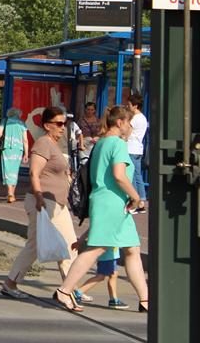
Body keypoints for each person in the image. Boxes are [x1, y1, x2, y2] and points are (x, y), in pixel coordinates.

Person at [53, 105, 149, 313]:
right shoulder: (117, 144)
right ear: (120, 123)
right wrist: (137, 197)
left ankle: (145, 300)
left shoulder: (102, 143)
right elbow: (119, 176)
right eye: (129, 124)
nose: (131, 128)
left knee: (132, 249)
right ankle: (64, 290)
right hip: (112, 202)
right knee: (97, 248)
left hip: (112, 203)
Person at [0, 106, 79, 299]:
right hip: (43, 202)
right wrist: (39, 196)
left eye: (65, 124)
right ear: (47, 125)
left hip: (58, 203)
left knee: (69, 245)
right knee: (35, 245)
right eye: (59, 124)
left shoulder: (54, 144)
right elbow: (35, 173)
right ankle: (10, 283)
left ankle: (70, 288)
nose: (63, 128)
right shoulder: (43, 143)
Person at [0, 107, 28, 203]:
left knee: (7, 170)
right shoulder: (21, 123)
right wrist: (26, 153)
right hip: (18, 149)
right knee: (14, 171)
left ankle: (10, 193)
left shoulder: (5, 121)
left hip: (7, 147)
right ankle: (12, 194)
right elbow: (25, 140)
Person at [126, 92, 148, 202]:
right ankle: (142, 198)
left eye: (129, 105)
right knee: (138, 175)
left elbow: (128, 131)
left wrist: (123, 138)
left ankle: (135, 199)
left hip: (130, 148)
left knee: (131, 174)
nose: (127, 107)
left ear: (135, 106)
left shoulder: (135, 118)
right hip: (138, 149)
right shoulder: (143, 118)